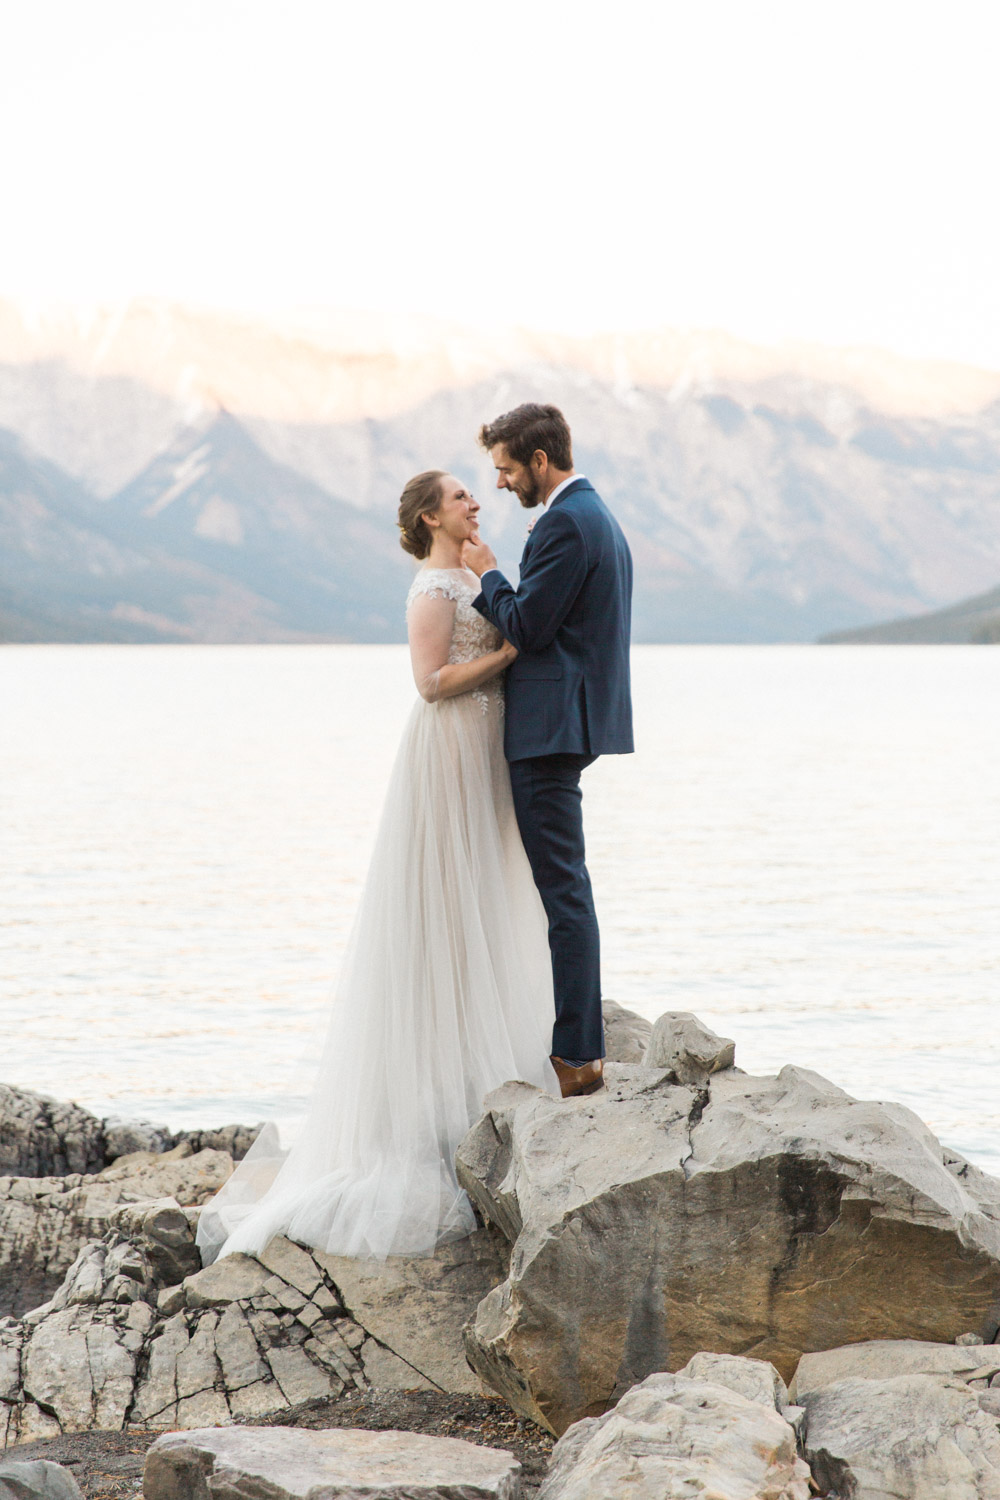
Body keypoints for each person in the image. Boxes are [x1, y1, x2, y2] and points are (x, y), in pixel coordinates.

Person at [196, 469, 558, 1265]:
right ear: (432, 514)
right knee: (443, 908)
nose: (474, 501)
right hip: (451, 750)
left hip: (488, 752)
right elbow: (430, 686)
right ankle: (426, 1109)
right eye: (461, 495)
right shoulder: (433, 588)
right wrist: (505, 654)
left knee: (489, 905)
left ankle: (486, 1071)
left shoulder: (475, 571)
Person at [465, 403, 634, 1100]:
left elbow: (530, 628)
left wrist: (489, 576)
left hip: (549, 729)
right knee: (568, 886)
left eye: (505, 467)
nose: (500, 482)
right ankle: (579, 1043)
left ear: (540, 460)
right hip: (571, 720)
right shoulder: (594, 515)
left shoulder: (566, 520)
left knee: (563, 890)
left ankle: (578, 1054)